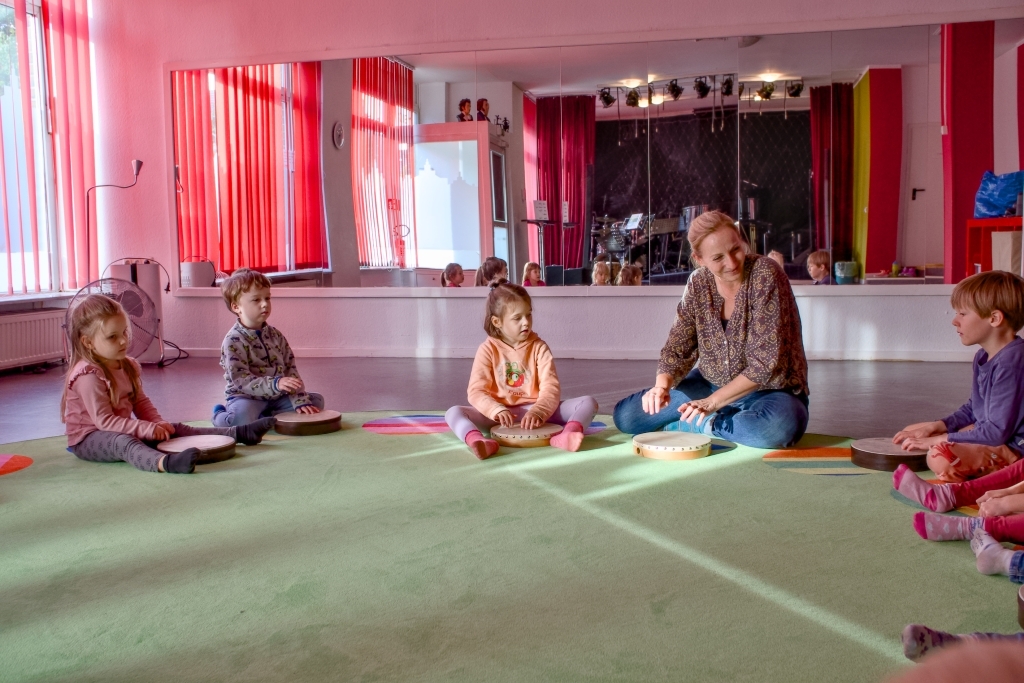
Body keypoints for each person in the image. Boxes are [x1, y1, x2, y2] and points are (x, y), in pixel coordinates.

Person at [613, 210, 809, 449]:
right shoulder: (698, 283)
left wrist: (710, 405)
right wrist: (661, 388)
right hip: (709, 384)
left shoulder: (765, 273)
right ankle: (721, 423)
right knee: (627, 417)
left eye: (736, 249)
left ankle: (703, 425)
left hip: (769, 391)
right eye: (718, 258)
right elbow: (677, 348)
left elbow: (764, 364)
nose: (732, 262)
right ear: (699, 259)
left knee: (776, 428)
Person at [63, 295, 275, 474]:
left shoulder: (127, 365)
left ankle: (239, 434)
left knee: (174, 428)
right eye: (112, 337)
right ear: (88, 342)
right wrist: (145, 429)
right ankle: (166, 464)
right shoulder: (88, 375)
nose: (122, 341)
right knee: (123, 443)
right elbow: (105, 422)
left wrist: (157, 424)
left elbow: (140, 402)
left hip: (116, 428)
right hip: (88, 438)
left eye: (124, 333)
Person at [892, 271, 1024, 482]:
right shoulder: (983, 355)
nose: (955, 321)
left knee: (939, 458)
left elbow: (997, 433)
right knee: (913, 431)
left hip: (1014, 447)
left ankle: (1009, 472)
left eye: (963, 313)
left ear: (994, 318)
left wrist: (942, 439)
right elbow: (974, 408)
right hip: (993, 434)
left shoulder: (1012, 361)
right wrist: (936, 427)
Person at [445, 281, 598, 459]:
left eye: (529, 315)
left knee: (588, 402)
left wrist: (538, 411)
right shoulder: (487, 350)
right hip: (499, 417)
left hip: (537, 413)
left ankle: (569, 434)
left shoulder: (539, 347)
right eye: (517, 318)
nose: (526, 322)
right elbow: (476, 392)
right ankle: (477, 441)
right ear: (497, 322)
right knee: (453, 412)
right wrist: (496, 410)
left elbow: (550, 387)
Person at [212, 268, 325, 427]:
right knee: (239, 421)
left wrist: (299, 400)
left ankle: (263, 415)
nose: (265, 304)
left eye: (267, 298)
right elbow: (241, 379)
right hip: (247, 397)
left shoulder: (276, 336)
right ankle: (219, 414)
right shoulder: (233, 340)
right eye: (256, 300)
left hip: (276, 397)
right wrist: (275, 383)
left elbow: (290, 369)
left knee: (316, 401)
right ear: (236, 307)